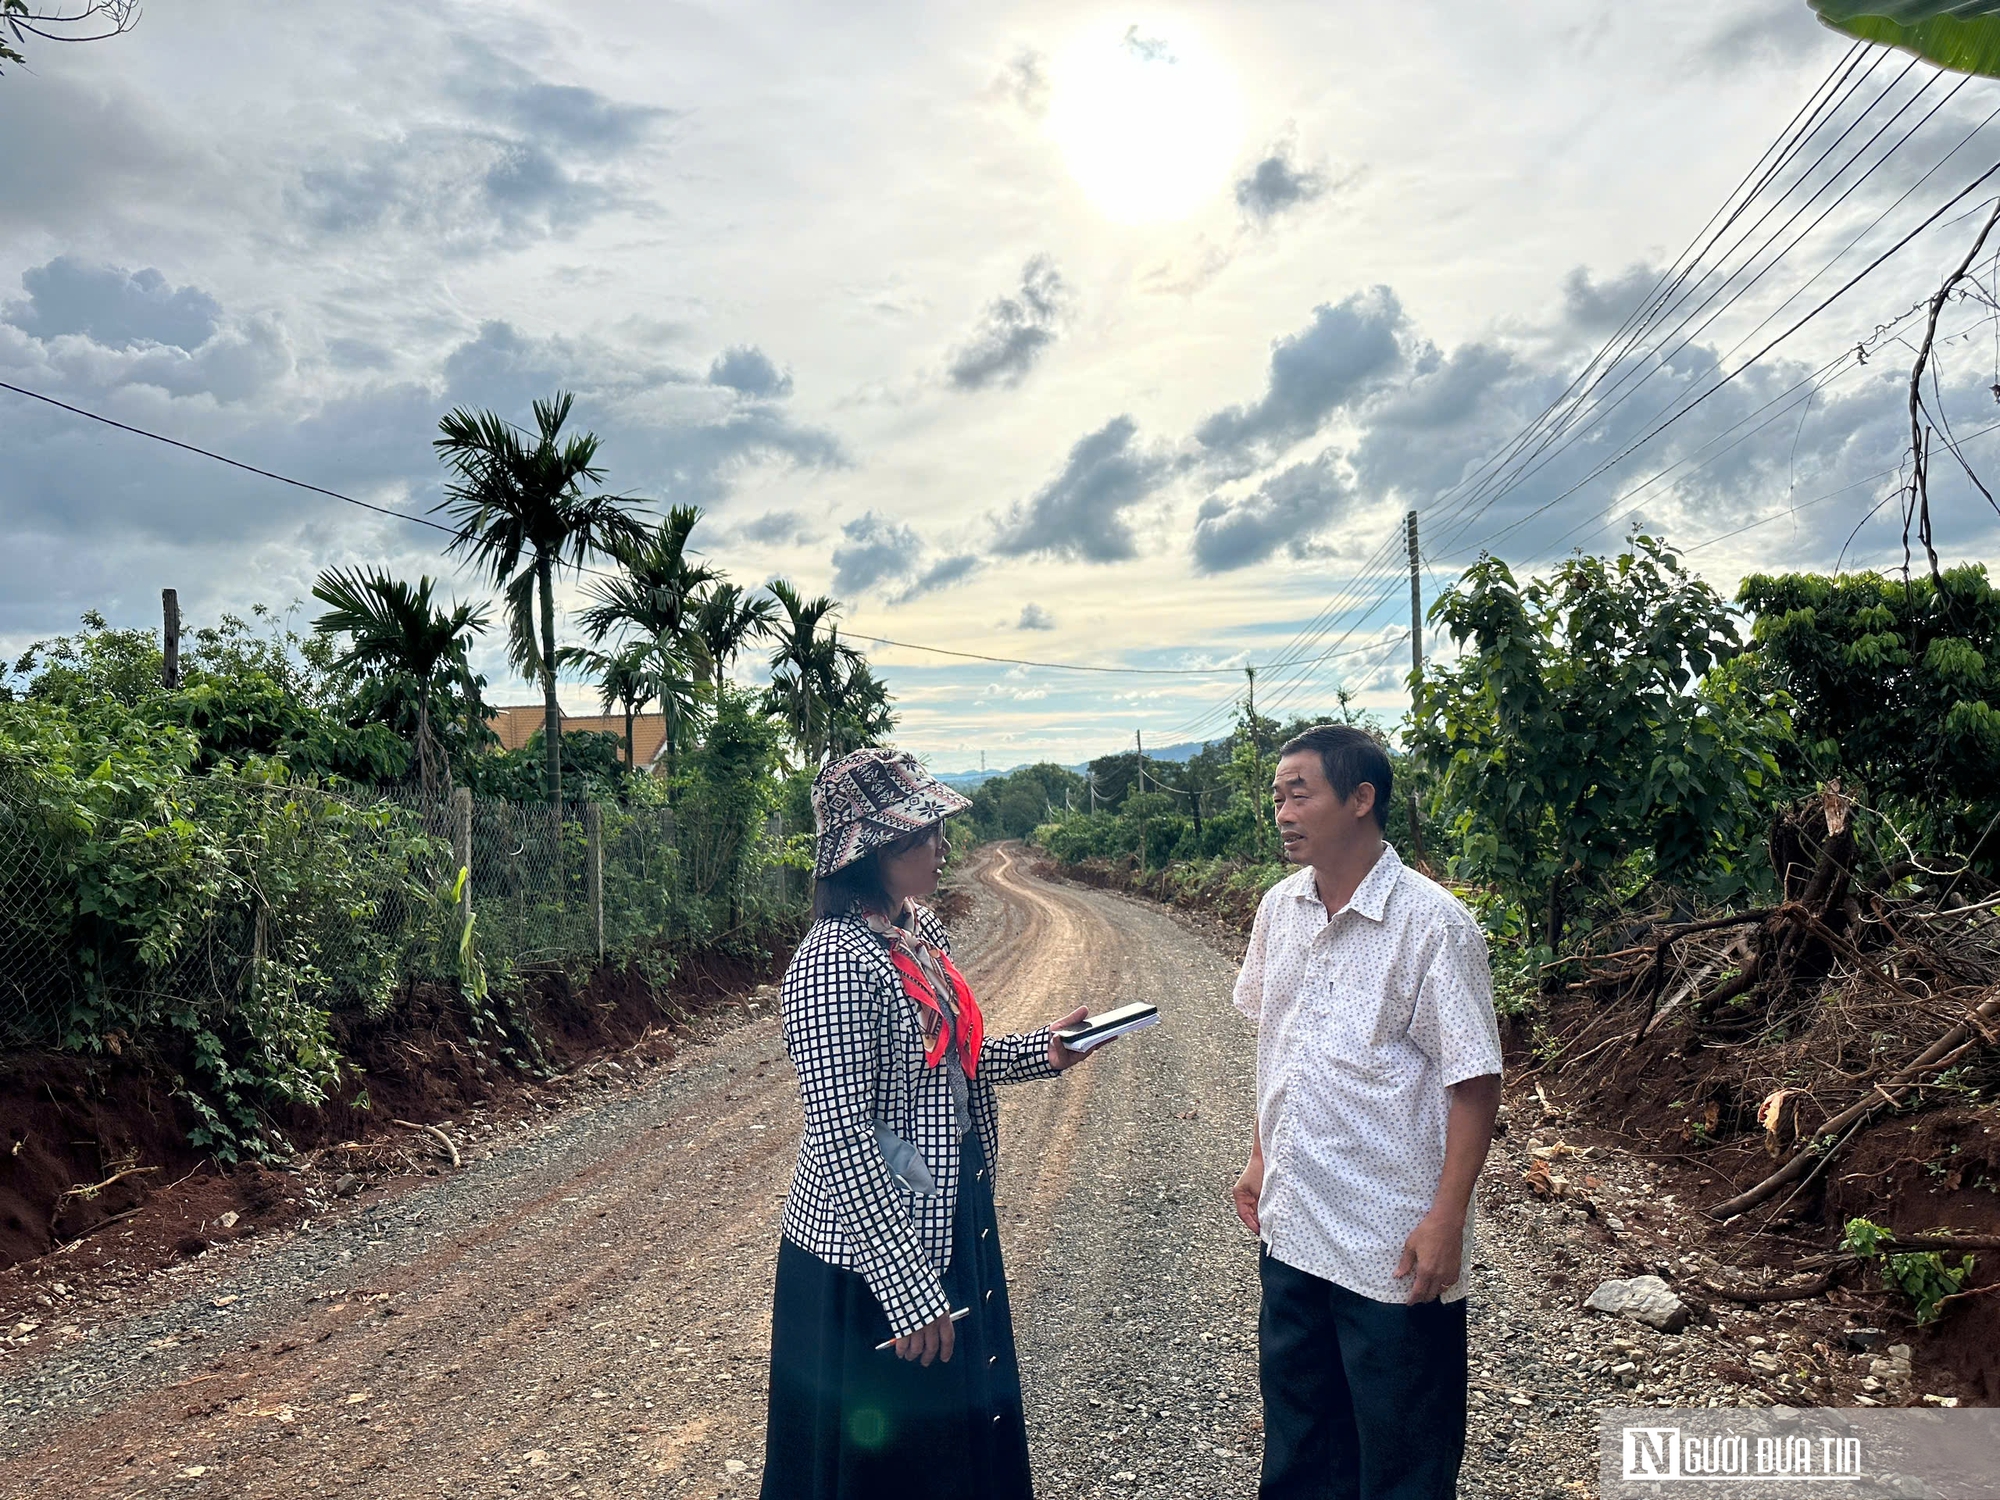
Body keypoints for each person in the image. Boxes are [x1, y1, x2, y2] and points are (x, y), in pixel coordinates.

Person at [760, 746, 1101, 1500]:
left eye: (936, 827)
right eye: (923, 831)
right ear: (871, 849)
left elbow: (948, 1065)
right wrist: (906, 1289)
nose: (940, 844)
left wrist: (1045, 1051)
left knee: (952, 1439)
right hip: (868, 1259)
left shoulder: (916, 931)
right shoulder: (831, 964)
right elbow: (842, 1133)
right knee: (887, 1461)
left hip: (943, 1210)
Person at [1231, 724, 1503, 1500]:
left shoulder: (1432, 923)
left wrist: (1446, 1219)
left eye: (1300, 792)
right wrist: (1260, 1157)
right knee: (1300, 1442)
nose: (1282, 809)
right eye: (1277, 794)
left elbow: (1475, 1082)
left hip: (1391, 1245)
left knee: (1401, 1461)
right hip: (1295, 1221)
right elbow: (1280, 1046)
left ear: (1360, 799)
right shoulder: (1279, 909)